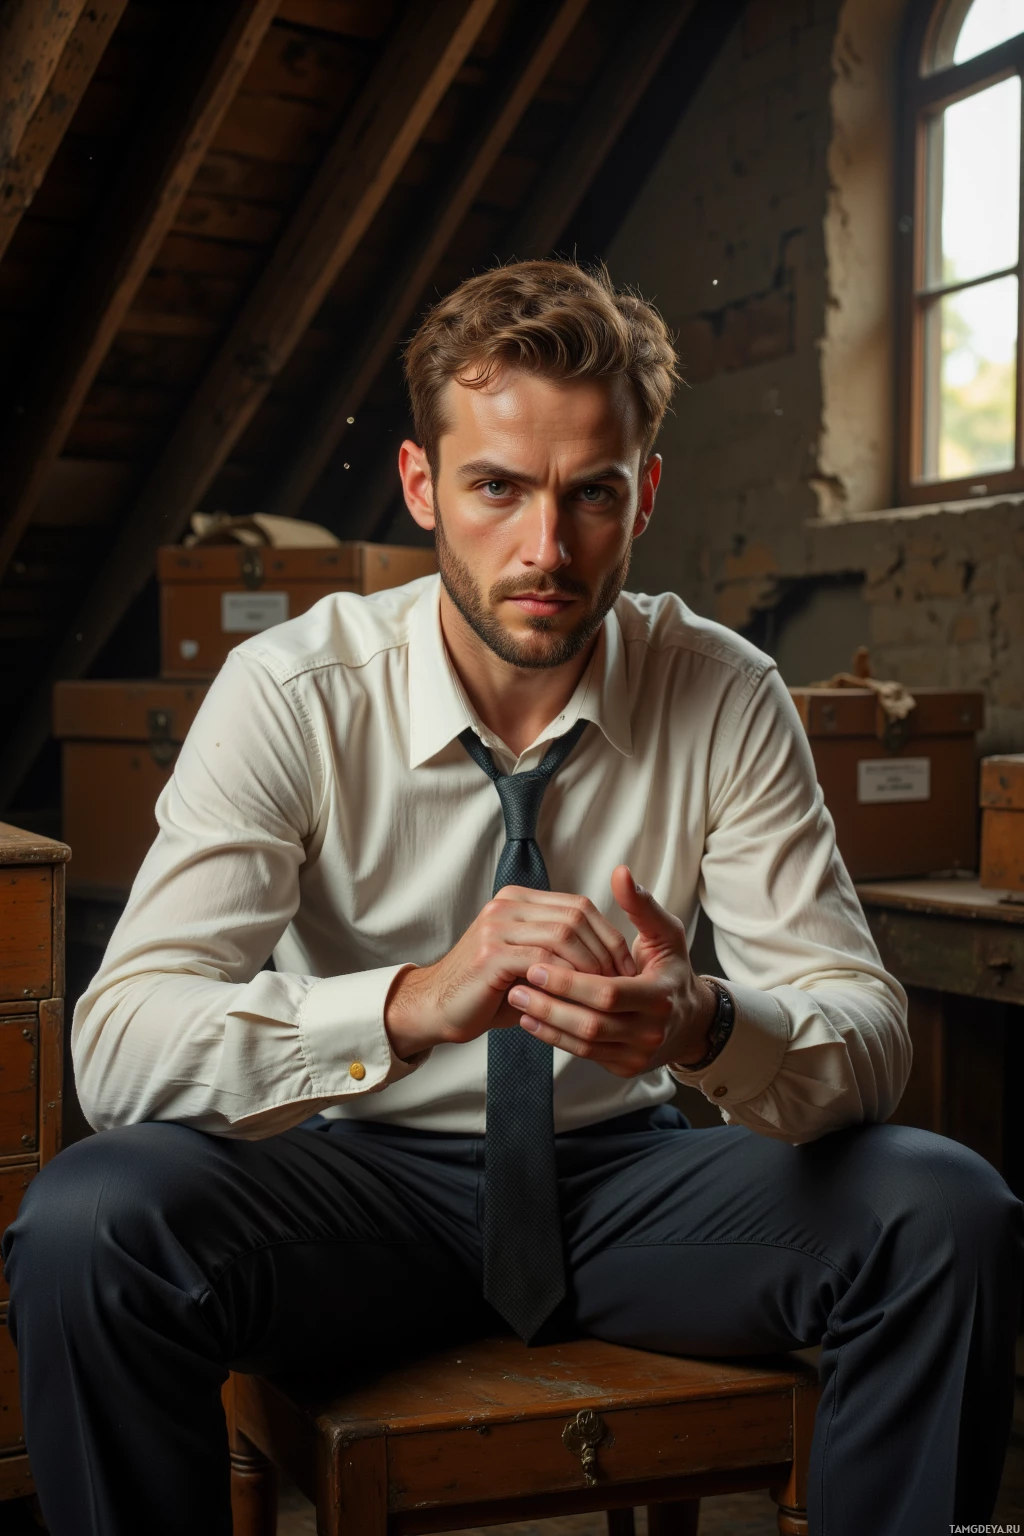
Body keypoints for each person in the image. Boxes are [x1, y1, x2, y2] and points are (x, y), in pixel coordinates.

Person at [5, 259, 1020, 1536]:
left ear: (642, 494)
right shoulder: (291, 692)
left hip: (634, 1195)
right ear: (423, 486)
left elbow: (862, 1037)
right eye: (497, 488)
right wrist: (406, 1009)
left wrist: (703, 1022)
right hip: (357, 1195)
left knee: (945, 1212)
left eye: (591, 495)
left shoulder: (724, 689)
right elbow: (118, 1046)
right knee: (90, 1224)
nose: (546, 549)